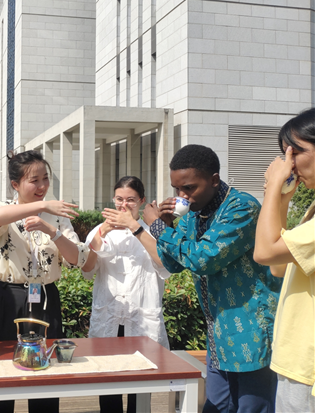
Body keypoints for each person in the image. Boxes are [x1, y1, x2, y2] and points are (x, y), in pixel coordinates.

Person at [138, 144, 282, 413]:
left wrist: (156, 227)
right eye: (177, 189)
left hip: (250, 331)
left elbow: (203, 259)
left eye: (189, 188)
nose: (182, 196)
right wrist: (168, 225)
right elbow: (176, 264)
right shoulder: (195, 213)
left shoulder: (242, 208)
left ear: (214, 180)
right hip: (218, 334)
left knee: (252, 408)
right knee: (215, 408)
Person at [0, 149, 97, 413]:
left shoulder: (58, 217)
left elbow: (77, 258)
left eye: (45, 178)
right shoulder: (3, 209)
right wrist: (42, 206)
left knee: (45, 373)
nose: (42, 186)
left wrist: (52, 231)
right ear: (15, 185)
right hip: (4, 298)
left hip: (44, 298)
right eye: (34, 180)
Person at [83, 176, 170, 413]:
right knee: (108, 382)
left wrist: (134, 227)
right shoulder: (100, 231)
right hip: (109, 317)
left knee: (140, 386)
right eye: (119, 199)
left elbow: (165, 264)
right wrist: (102, 232)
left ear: (141, 201)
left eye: (131, 200)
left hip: (141, 318)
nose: (123, 206)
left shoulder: (153, 230)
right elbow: (87, 268)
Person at [254, 108, 315, 412]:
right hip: (296, 361)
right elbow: (277, 267)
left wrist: (273, 188)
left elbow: (263, 252)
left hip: (309, 367)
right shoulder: (312, 210)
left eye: (295, 153)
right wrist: (282, 199)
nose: (288, 164)